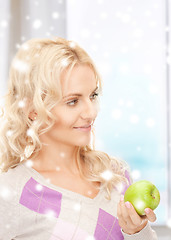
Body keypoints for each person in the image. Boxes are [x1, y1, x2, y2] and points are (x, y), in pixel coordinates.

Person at [0, 37, 157, 239]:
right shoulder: (11, 191)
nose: (90, 112)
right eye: (73, 101)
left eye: (92, 96)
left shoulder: (115, 176)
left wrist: (137, 232)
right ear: (33, 110)